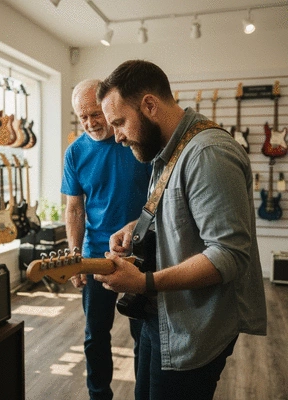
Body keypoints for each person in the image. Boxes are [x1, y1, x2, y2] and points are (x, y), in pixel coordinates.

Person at [94, 60, 267, 400]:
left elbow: (228, 254)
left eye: (119, 122)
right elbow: (178, 214)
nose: (116, 136)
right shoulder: (172, 149)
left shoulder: (208, 152)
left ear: (149, 105)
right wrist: (135, 227)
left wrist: (143, 282)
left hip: (193, 328)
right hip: (162, 316)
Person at [61, 79, 152, 400]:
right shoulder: (75, 152)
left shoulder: (135, 139)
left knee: (144, 337)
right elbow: (74, 209)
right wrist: (75, 258)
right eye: (81, 117)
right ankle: (99, 396)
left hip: (141, 254)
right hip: (95, 254)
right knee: (94, 336)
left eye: (94, 114)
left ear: (107, 104)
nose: (89, 123)